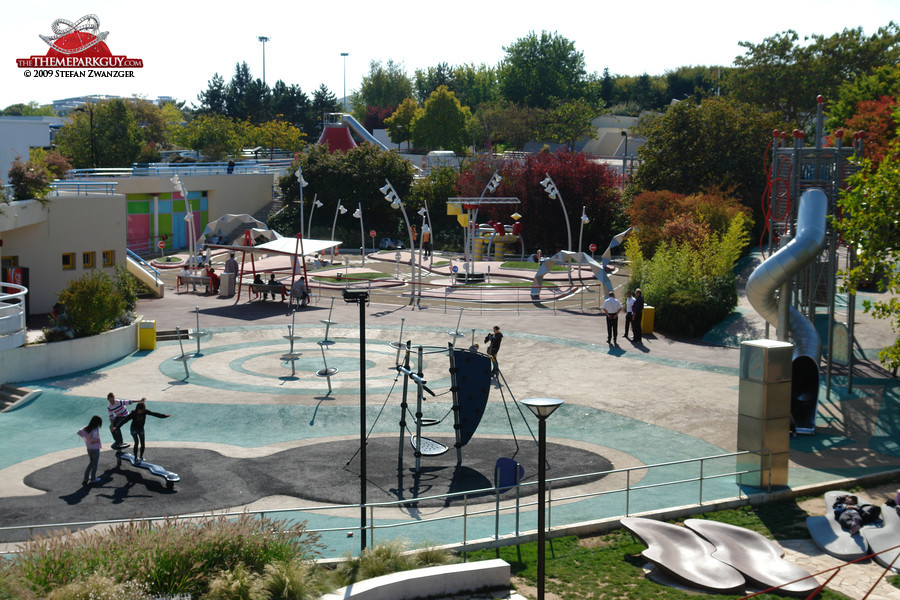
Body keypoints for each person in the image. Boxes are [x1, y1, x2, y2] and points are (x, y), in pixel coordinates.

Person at [77, 415, 103, 486]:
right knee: (95, 464)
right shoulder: (95, 429)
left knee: (91, 462)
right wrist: (95, 440)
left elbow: (79, 432)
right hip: (95, 448)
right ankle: (93, 478)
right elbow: (94, 438)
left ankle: (86, 477)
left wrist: (86, 439)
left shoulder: (86, 428)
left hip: (89, 448)